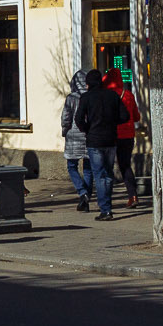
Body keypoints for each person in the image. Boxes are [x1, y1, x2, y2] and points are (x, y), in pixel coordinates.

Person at [77, 68, 130, 220]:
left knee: (99, 175)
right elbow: (124, 116)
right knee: (108, 174)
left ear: (88, 83)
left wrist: (87, 129)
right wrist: (112, 123)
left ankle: (105, 209)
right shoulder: (112, 95)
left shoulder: (86, 97)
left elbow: (79, 119)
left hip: (94, 140)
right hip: (111, 139)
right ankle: (107, 207)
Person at [60, 70, 99, 212]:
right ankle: (86, 198)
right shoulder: (91, 96)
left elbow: (66, 117)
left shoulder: (71, 98)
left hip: (73, 135)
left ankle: (82, 192)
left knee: (71, 166)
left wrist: (64, 130)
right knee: (88, 168)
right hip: (88, 134)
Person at [106, 69, 142, 209]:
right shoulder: (128, 95)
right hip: (128, 135)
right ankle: (132, 196)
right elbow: (136, 116)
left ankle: (106, 199)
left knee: (107, 166)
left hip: (111, 134)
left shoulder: (106, 95)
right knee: (125, 166)